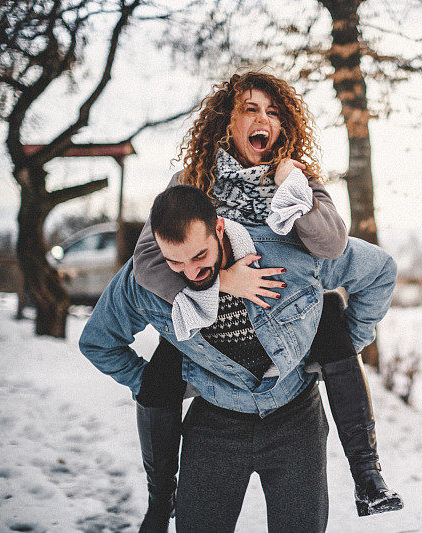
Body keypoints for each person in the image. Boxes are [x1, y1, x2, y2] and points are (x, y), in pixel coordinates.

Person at [129, 71, 402, 530]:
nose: (264, 120)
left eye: (274, 112)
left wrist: (292, 188)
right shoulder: (193, 184)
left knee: (330, 312)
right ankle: (160, 500)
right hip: (217, 407)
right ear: (227, 121)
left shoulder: (301, 184)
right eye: (251, 109)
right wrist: (221, 283)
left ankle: (368, 473)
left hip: (293, 404)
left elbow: (332, 246)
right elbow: (148, 262)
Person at [79, 184, 398, 531]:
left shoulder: (287, 250)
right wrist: (161, 383)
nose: (190, 273)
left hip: (296, 419)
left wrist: (350, 343)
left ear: (218, 227)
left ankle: (367, 472)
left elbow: (380, 270)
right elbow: (99, 342)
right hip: (215, 427)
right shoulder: (142, 283)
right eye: (175, 261)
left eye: (200, 256)